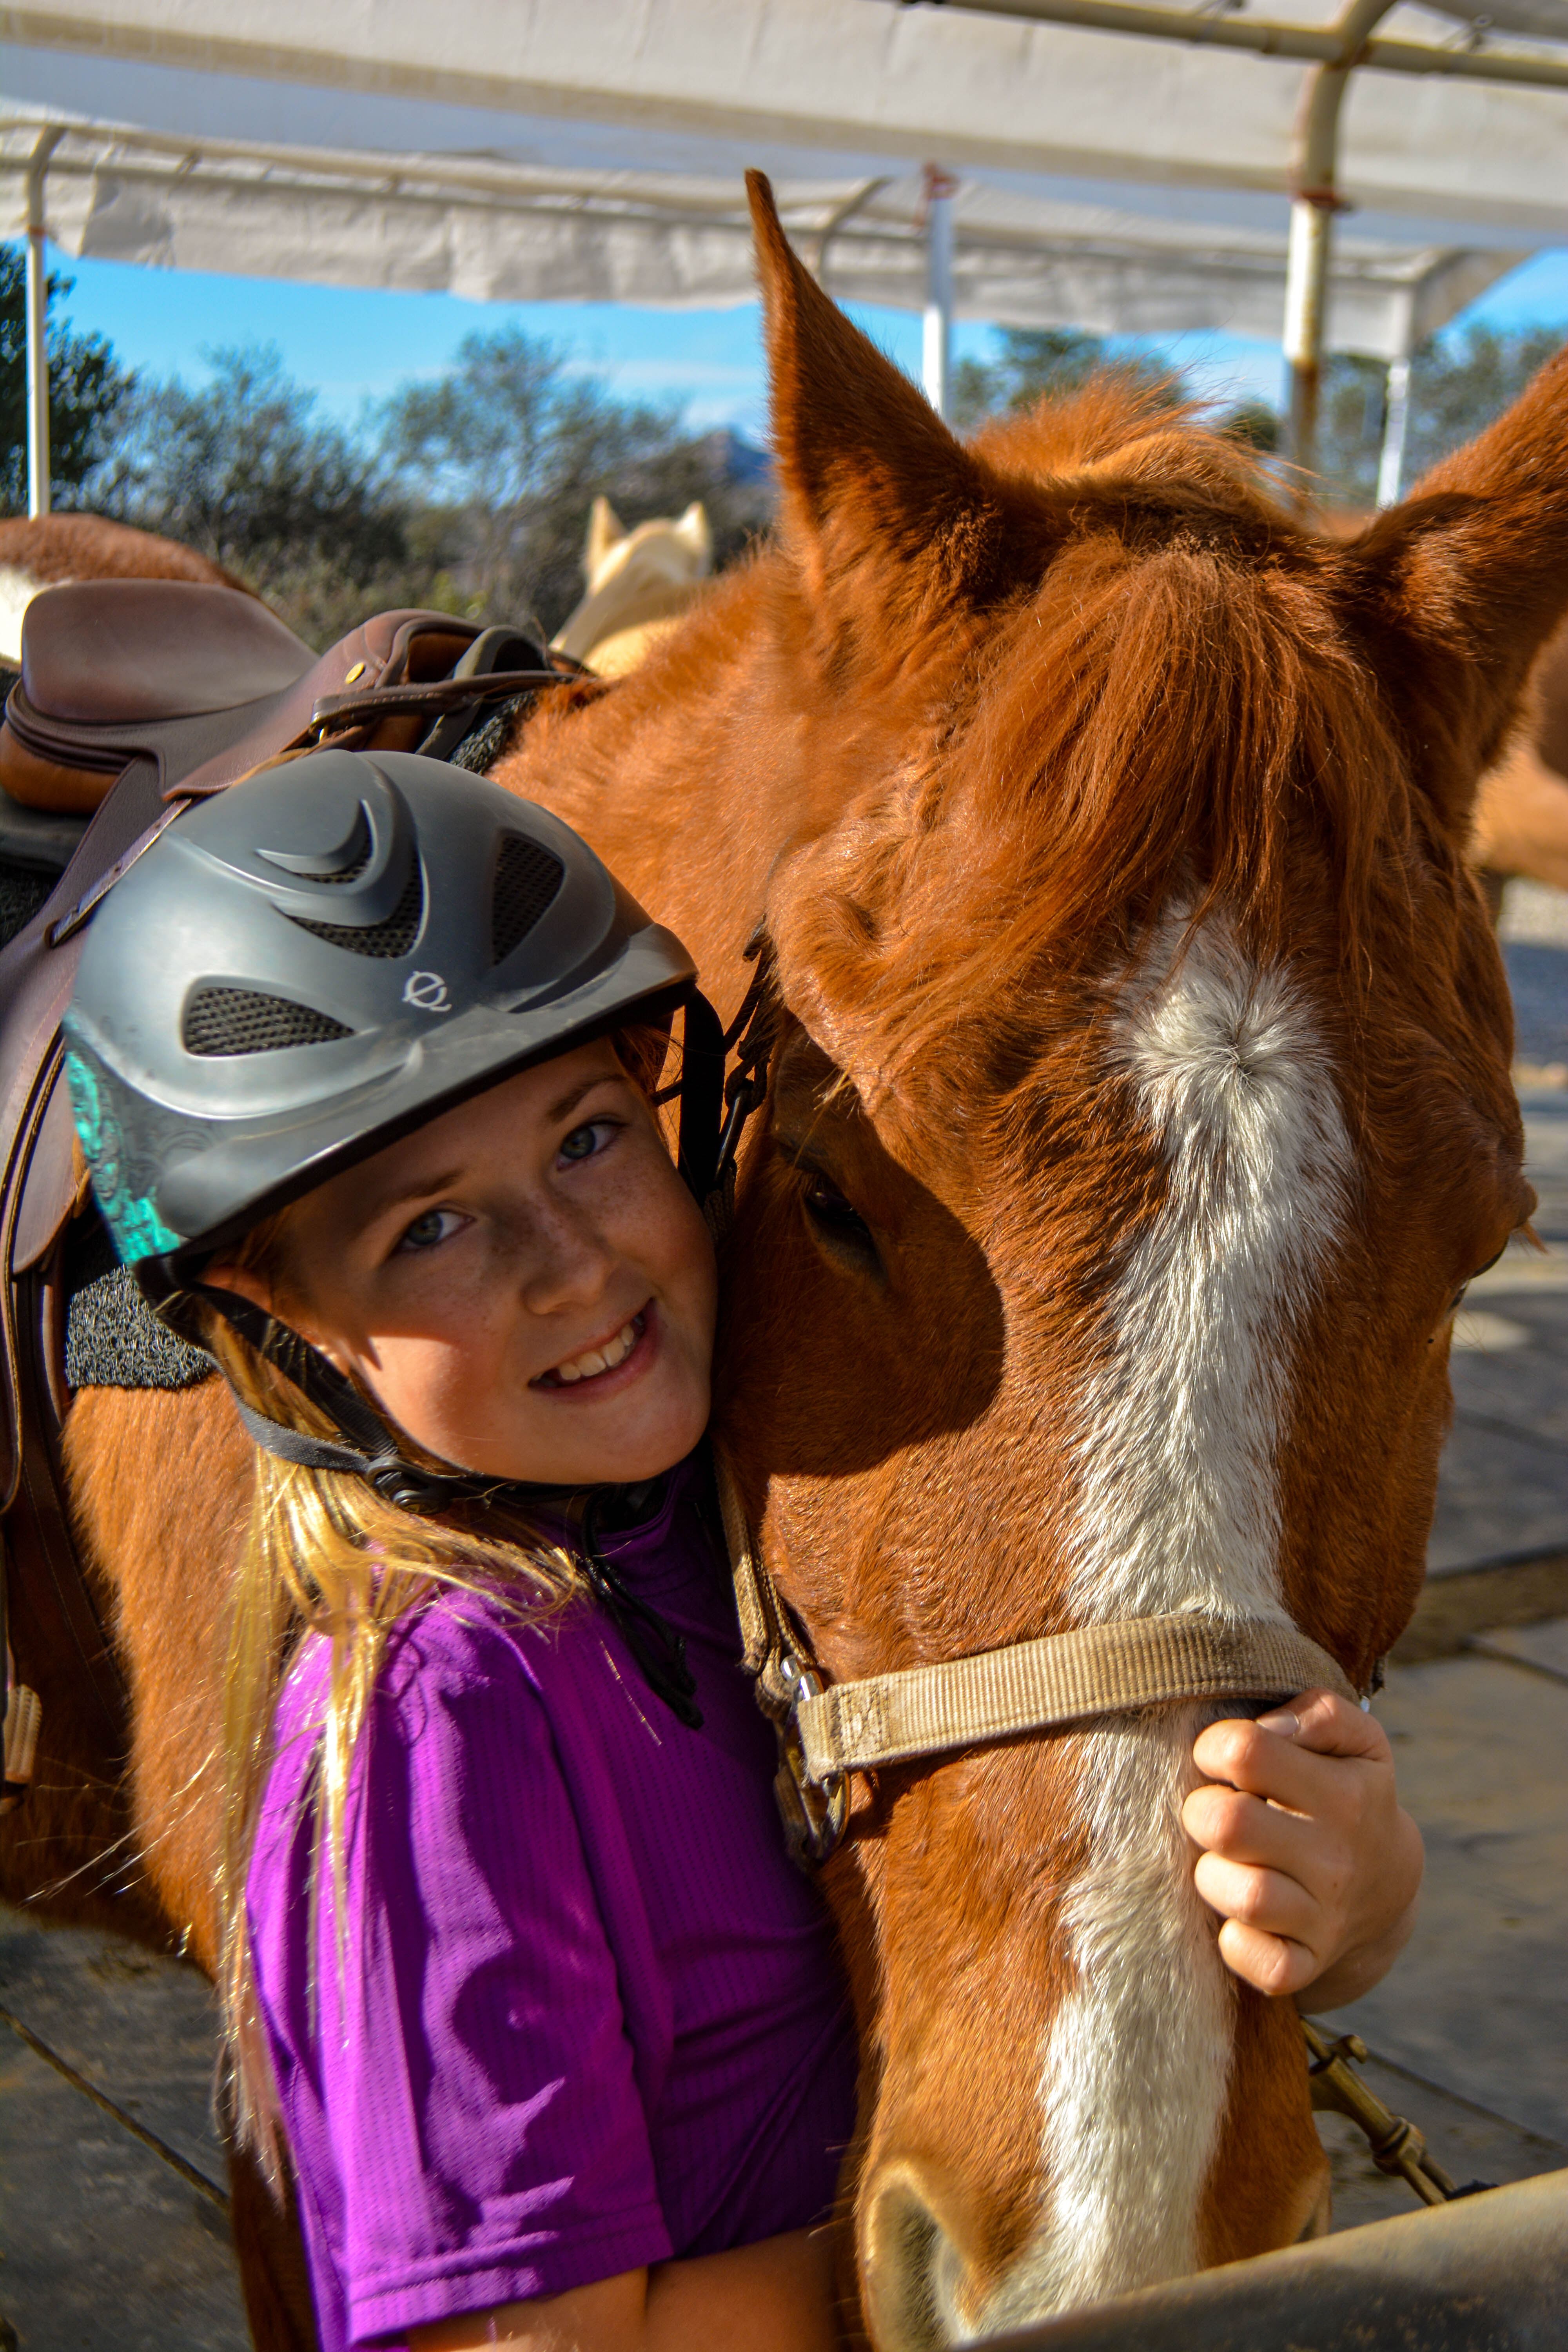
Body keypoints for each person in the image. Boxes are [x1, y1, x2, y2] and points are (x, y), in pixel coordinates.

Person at [64, 748, 1420, 2352]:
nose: (571, 1265)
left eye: (584, 1137)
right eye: (427, 1226)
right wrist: (955, 2293)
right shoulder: (439, 1731)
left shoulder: (732, 1510)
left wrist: (1354, 1892)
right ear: (271, 1325)